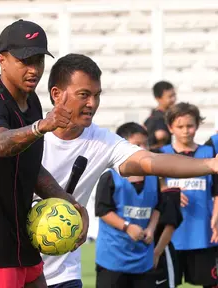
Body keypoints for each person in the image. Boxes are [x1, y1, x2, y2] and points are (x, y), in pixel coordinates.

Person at [38, 53, 218, 288]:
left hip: (65, 273)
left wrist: (211, 165)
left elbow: (150, 161)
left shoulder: (102, 140)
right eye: (84, 95)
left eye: (97, 95)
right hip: (19, 266)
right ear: (56, 94)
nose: (92, 103)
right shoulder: (29, 137)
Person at [0, 20, 89, 288]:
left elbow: (29, 166)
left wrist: (69, 202)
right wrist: (41, 126)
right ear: (2, 60)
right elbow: (1, 144)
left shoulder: (32, 101)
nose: (34, 69)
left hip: (22, 240)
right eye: (25, 60)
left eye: (38, 60)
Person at [95, 122, 183, 288]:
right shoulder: (110, 176)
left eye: (145, 144)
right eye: (137, 145)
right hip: (113, 258)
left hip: (142, 258)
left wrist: (151, 228)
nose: (143, 149)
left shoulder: (152, 177)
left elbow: (157, 207)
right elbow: (103, 210)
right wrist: (128, 227)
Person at [160, 102, 218, 288]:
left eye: (190, 126)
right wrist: (167, 192)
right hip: (171, 236)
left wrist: (217, 214)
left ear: (197, 126)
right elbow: (155, 188)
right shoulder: (161, 155)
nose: (186, 131)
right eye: (180, 126)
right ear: (170, 127)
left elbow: (216, 190)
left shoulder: (209, 153)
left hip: (203, 233)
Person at [144, 81, 176, 150]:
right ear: (158, 98)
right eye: (170, 97)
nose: (174, 99)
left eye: (174, 95)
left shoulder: (155, 115)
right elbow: (160, 135)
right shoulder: (158, 118)